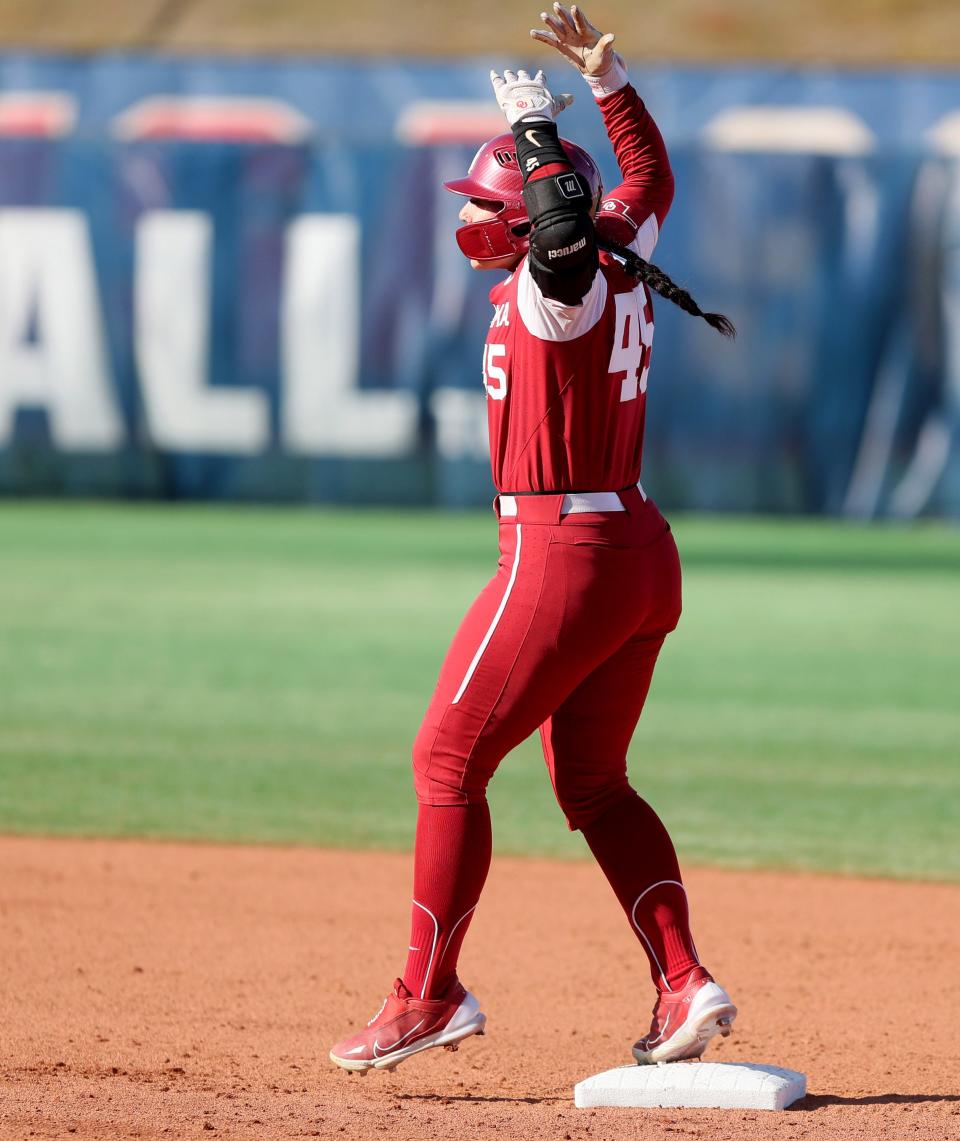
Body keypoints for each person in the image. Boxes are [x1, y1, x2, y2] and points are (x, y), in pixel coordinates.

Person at [330, 3, 736, 1076]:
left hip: (565, 553)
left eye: (487, 207)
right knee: (593, 783)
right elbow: (647, 183)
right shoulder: (616, 241)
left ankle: (428, 993)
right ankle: (686, 981)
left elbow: (557, 235)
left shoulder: (557, 284)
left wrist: (534, 134)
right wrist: (605, 79)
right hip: (638, 546)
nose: (475, 222)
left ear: (523, 217)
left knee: (446, 762)